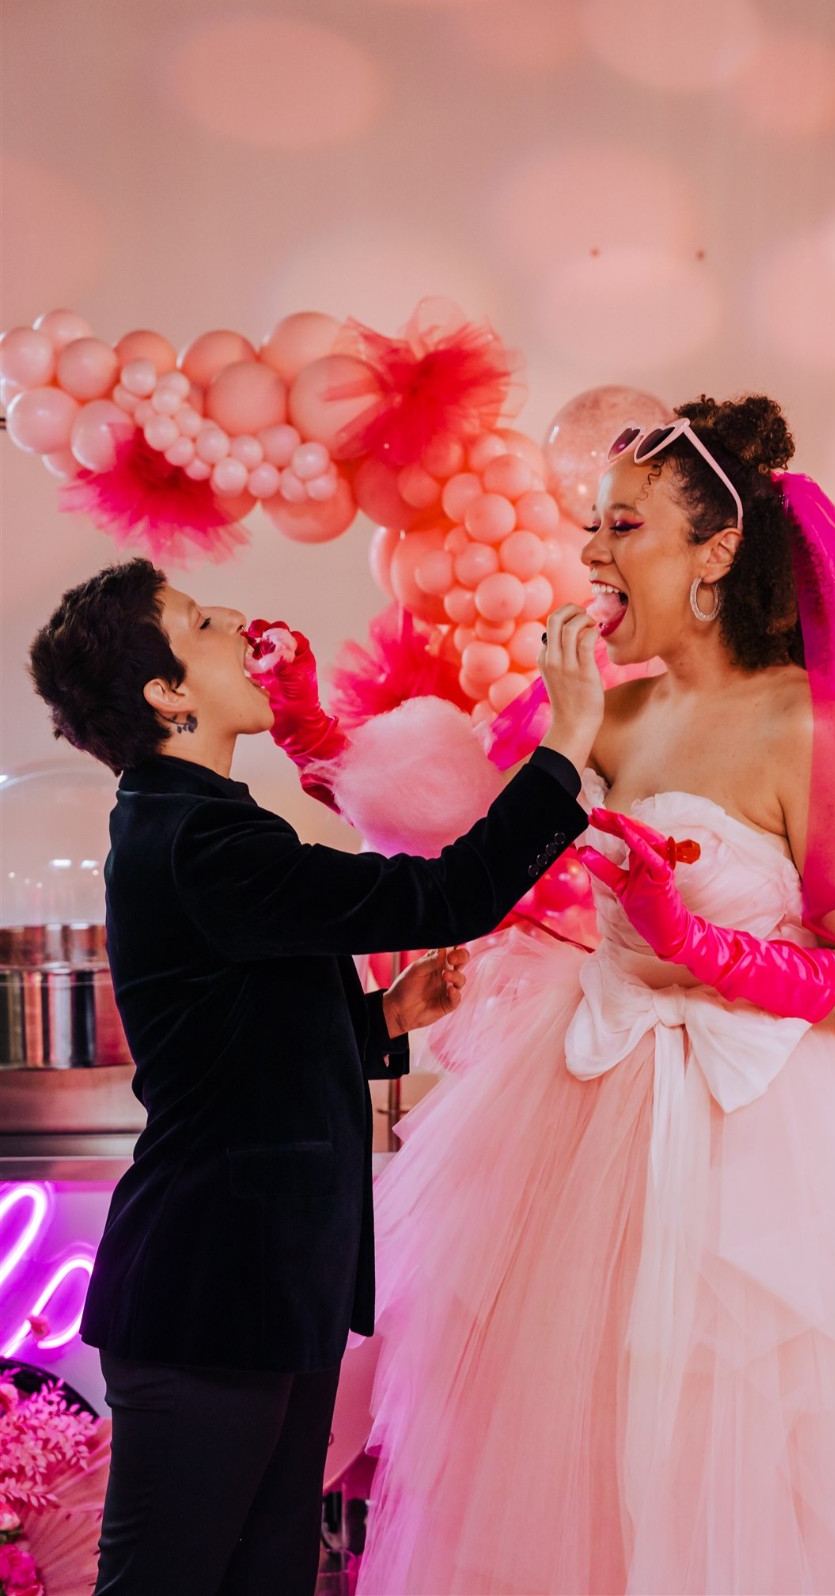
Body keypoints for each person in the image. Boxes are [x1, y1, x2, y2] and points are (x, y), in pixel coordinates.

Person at [315, 396, 835, 1595]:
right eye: (592, 526)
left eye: (624, 525)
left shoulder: (809, 726)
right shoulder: (607, 714)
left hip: (777, 1134)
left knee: (763, 1439)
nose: (594, 553)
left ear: (717, 550)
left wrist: (713, 951)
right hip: (586, 1114)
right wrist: (468, 741)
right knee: (569, 1436)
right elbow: (472, 871)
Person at [27, 558, 602, 1596]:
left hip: (270, 1290)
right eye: (201, 622)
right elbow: (447, 894)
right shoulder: (197, 836)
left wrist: (385, 1021)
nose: (237, 621)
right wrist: (566, 745)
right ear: (168, 693)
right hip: (210, 1292)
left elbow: (237, 1045)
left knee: (269, 1577)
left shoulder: (193, 827)